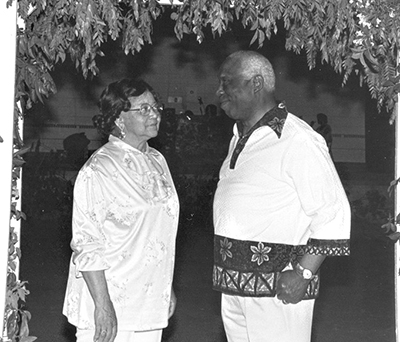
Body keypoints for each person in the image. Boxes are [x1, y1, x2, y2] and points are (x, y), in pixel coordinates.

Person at [212, 50, 351, 342]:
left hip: (279, 290)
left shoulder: (297, 139)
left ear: (256, 83)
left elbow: (332, 212)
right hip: (235, 288)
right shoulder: (240, 136)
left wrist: (303, 274)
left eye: (227, 83)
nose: (219, 91)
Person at [63, 79, 180, 342]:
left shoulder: (157, 161)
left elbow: (157, 234)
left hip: (149, 301)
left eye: (155, 106)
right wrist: (103, 307)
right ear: (119, 119)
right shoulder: (99, 170)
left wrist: (165, 285)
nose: (155, 114)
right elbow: (87, 243)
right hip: (111, 301)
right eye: (144, 109)